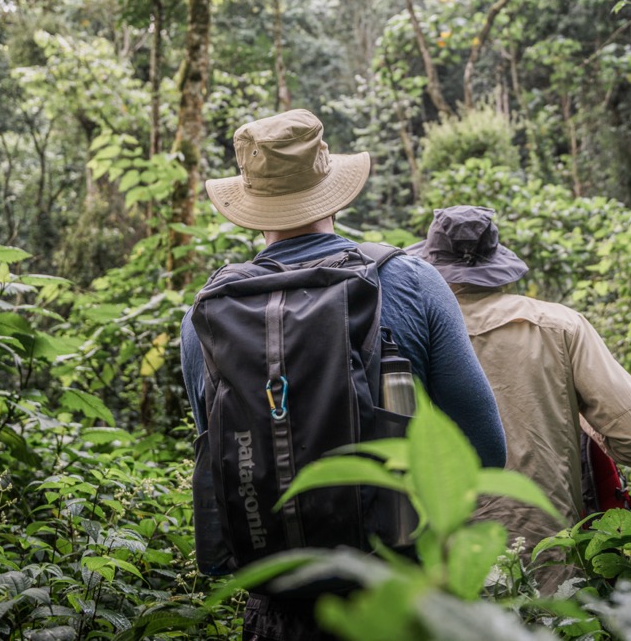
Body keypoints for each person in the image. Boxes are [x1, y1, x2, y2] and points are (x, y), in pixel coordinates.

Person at [180, 110, 506, 641]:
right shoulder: (411, 282)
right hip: (402, 595)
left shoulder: (206, 315)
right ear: (331, 186)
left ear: (249, 198)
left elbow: (218, 448)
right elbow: (486, 451)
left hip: (277, 602)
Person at [408, 205, 631, 592]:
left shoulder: (403, 331)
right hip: (551, 572)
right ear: (497, 265)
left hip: (439, 575)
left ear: (431, 265)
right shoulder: (559, 326)